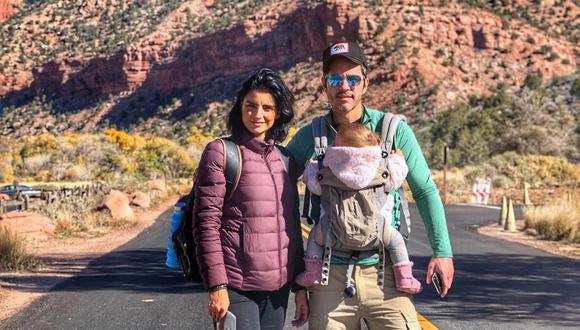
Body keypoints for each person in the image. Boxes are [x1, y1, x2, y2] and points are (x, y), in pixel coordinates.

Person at [286, 41, 454, 329]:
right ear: (324, 84)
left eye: (353, 78)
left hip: (387, 275)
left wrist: (443, 252)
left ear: (366, 82)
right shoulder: (310, 137)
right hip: (327, 278)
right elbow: (280, 199)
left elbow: (425, 190)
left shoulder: (392, 130)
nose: (344, 87)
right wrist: (297, 283)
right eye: (335, 79)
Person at [193, 68, 309, 329]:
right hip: (237, 287)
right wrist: (217, 285)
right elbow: (206, 225)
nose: (258, 115)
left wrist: (300, 286)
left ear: (278, 113)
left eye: (268, 107)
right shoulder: (221, 153)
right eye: (251, 105)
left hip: (278, 290)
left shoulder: (285, 159)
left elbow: (291, 225)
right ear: (240, 107)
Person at [295, 123, 421, 295]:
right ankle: (404, 277)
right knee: (397, 241)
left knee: (314, 238)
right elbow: (397, 177)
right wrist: (397, 158)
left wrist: (310, 166)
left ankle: (312, 273)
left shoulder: (327, 171)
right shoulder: (381, 170)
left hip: (332, 233)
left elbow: (313, 184)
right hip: (378, 233)